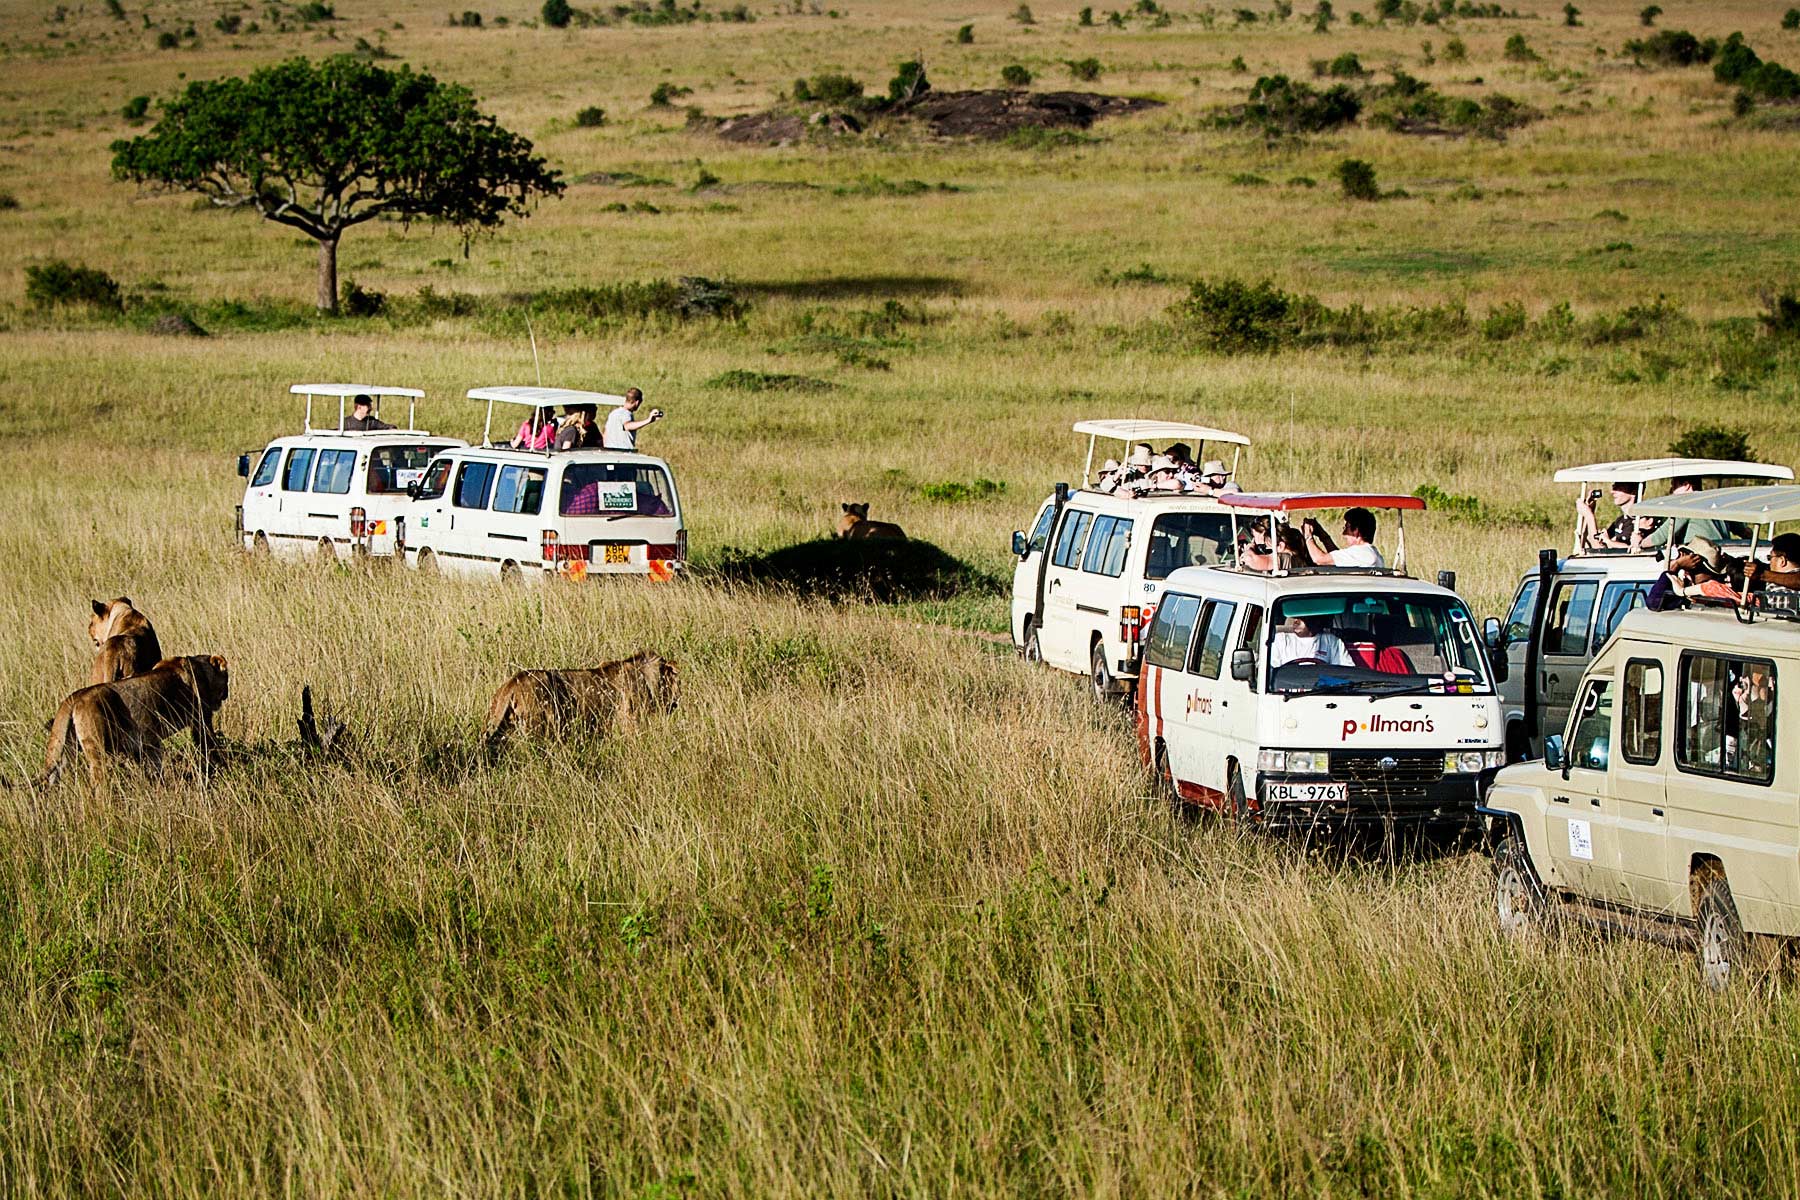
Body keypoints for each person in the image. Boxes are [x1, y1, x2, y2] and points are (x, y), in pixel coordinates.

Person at [1637, 477, 1734, 553]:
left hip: (1701, 556)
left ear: (1686, 485)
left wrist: (1640, 543)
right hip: (1723, 553)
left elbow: (1662, 536)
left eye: (1674, 486)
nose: (1671, 490)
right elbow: (1742, 530)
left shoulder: (1687, 505)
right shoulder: (1717, 502)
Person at [1302, 507, 1385, 568]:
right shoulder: (1368, 552)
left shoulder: (1362, 553)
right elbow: (1338, 558)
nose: (1343, 533)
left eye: (1346, 528)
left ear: (1356, 531)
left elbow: (1319, 559)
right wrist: (1323, 535)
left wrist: (1308, 536)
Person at [1271, 613, 1353, 667]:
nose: (1296, 622)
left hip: (1322, 690)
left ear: (1316, 622)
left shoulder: (1331, 641)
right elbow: (1272, 670)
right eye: (1296, 618)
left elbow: (1345, 671)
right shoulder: (1280, 639)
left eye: (1302, 619)